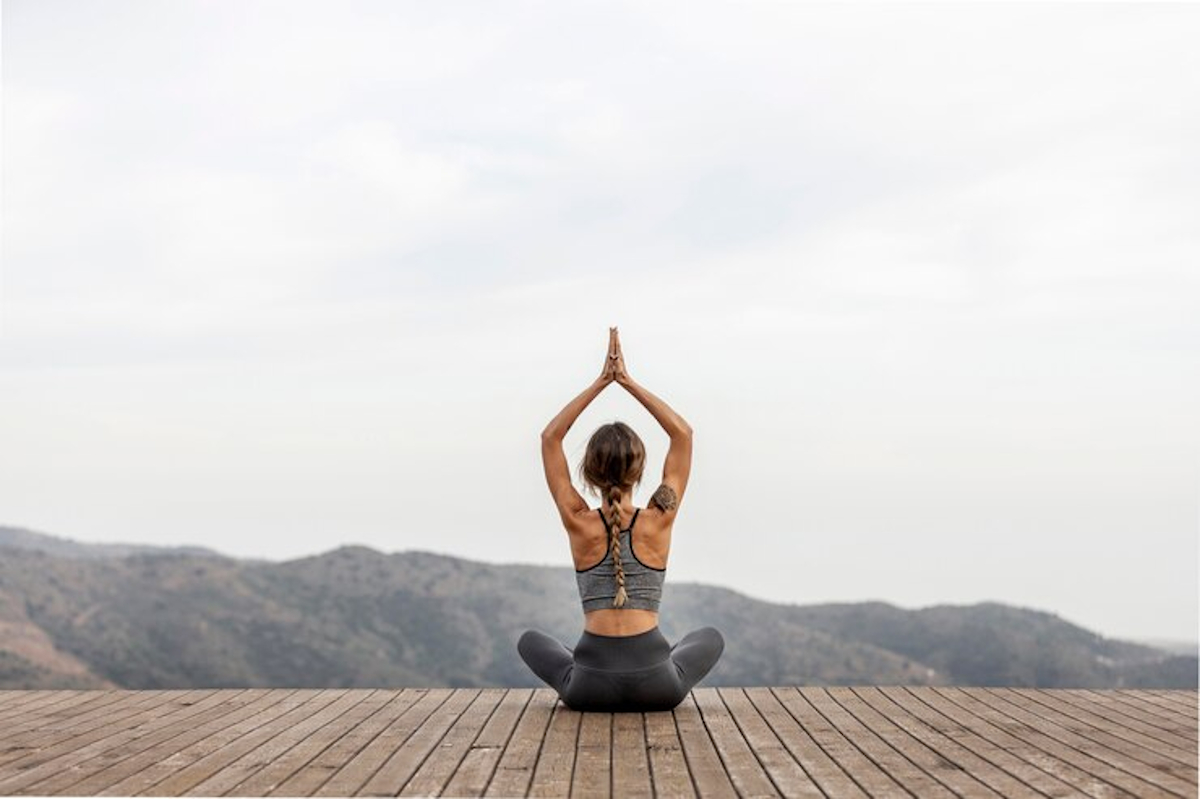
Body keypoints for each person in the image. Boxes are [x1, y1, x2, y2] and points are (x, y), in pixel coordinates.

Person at [518, 326, 724, 712]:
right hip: (658, 686)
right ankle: (657, 658)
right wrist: (627, 382)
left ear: (590, 472)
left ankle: (586, 663)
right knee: (707, 636)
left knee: (531, 639)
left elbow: (550, 438)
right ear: (640, 469)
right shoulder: (659, 517)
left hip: (588, 689)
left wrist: (601, 383)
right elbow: (683, 435)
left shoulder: (577, 519)